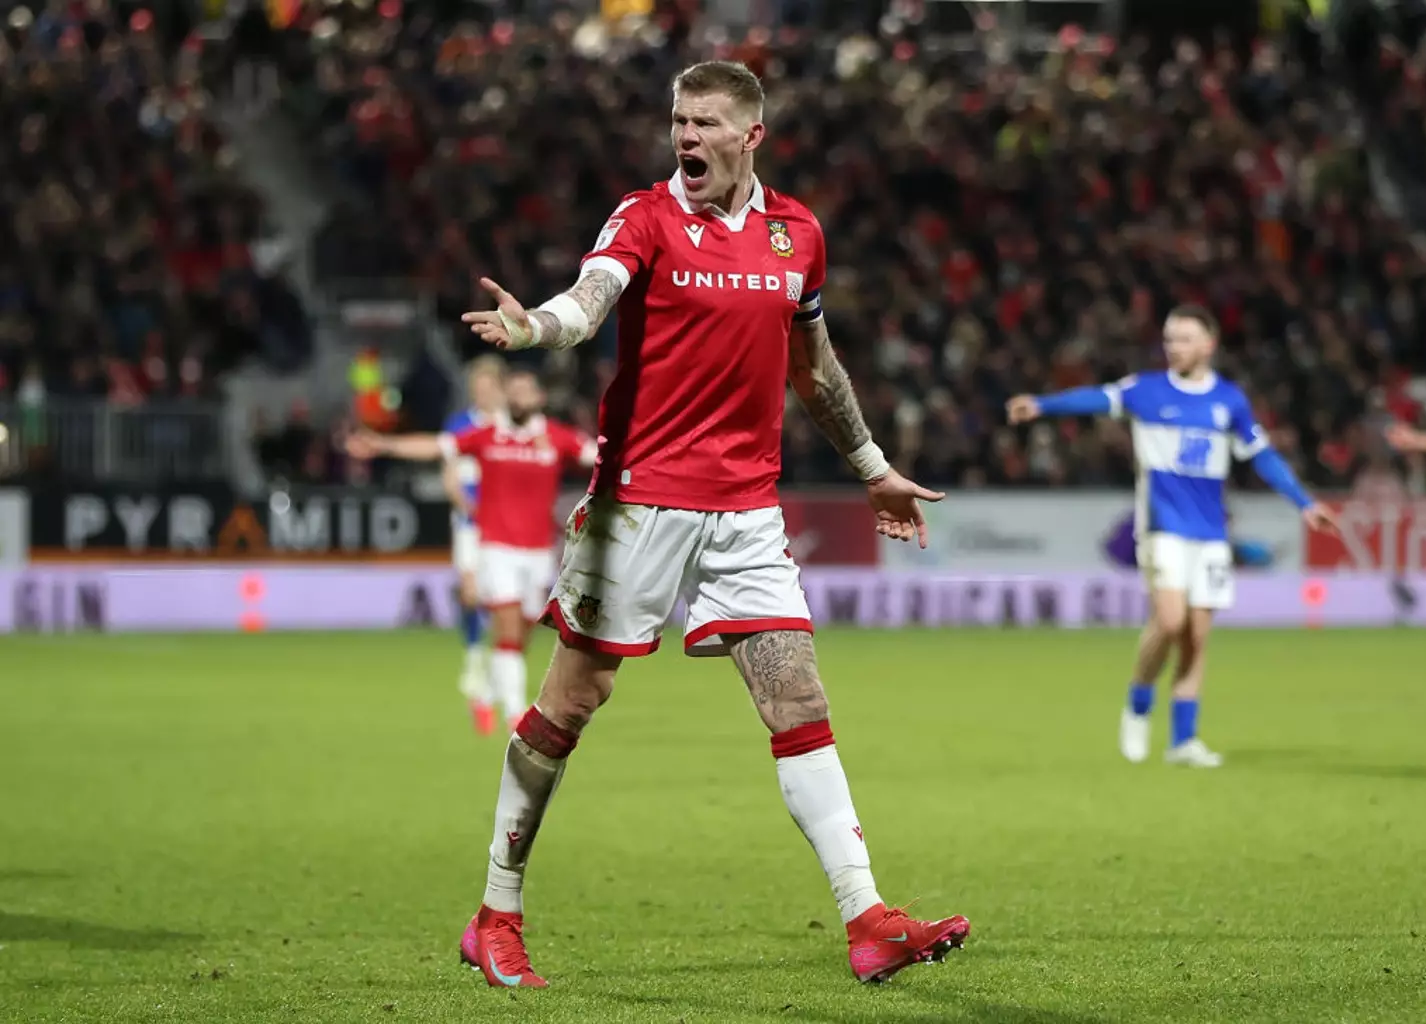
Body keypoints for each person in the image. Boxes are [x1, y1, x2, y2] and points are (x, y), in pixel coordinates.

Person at [441, 60, 967, 988]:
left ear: (750, 135)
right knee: (572, 700)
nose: (687, 137)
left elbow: (815, 366)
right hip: (637, 502)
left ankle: (868, 918)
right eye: (679, 120)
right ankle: (495, 912)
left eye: (707, 123)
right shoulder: (645, 216)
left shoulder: (795, 234)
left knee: (798, 701)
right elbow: (589, 297)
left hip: (746, 508)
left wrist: (873, 469)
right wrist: (535, 331)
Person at [1007, 305, 1337, 769]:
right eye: (1168, 339)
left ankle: (1183, 741)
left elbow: (1263, 457)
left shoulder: (1229, 401)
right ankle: (1138, 703)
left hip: (1211, 533)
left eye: (1183, 338)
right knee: (1169, 620)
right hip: (1163, 527)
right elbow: (1096, 399)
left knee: (1197, 636)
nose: (1173, 347)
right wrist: (1042, 405)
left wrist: (1305, 504)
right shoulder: (1147, 390)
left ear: (1209, 344)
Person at [349, 369, 597, 732]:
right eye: (512, 392)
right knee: (508, 629)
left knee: (521, 633)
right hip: (496, 548)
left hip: (538, 552)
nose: (518, 398)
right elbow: (437, 446)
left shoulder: (556, 438)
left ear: (539, 399)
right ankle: (517, 716)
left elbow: (603, 454)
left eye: (525, 391)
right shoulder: (487, 436)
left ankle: (484, 696)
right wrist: (384, 445)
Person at [442, 357, 506, 732]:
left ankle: (495, 682)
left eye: (488, 386)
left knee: (503, 605)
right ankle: (473, 656)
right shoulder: (460, 426)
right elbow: (449, 475)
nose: (482, 393)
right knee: (469, 594)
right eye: (477, 387)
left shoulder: (510, 425)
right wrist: (462, 501)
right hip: (469, 522)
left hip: (504, 525)